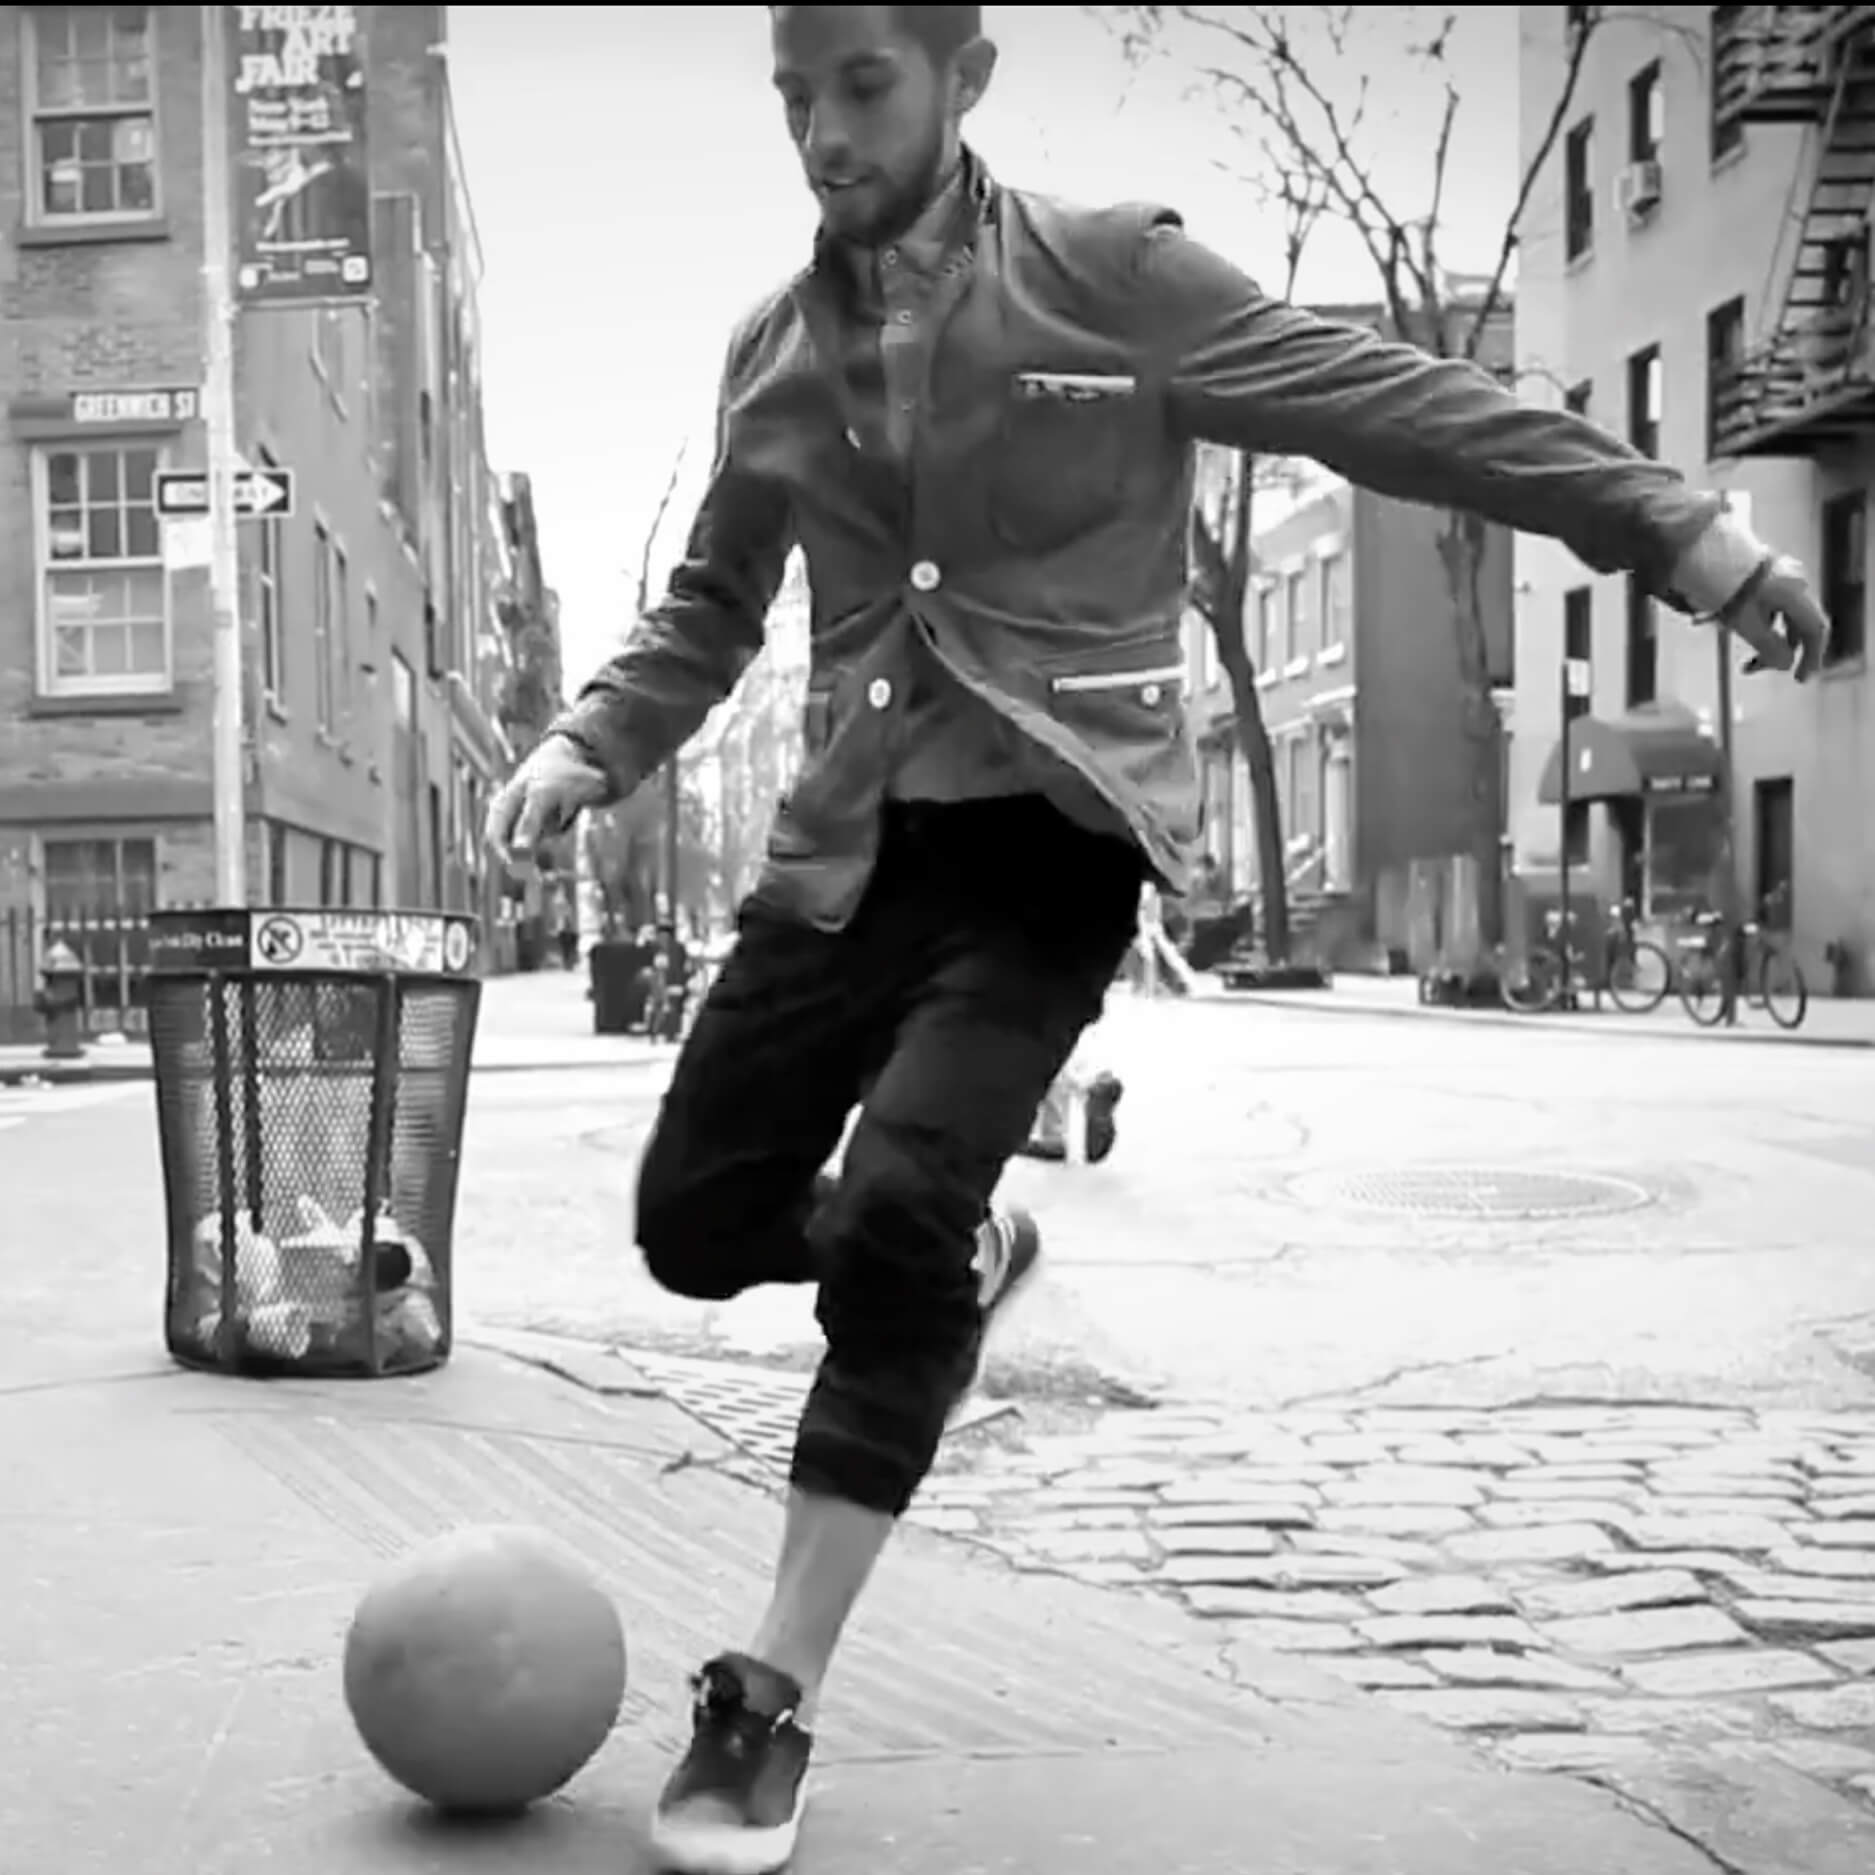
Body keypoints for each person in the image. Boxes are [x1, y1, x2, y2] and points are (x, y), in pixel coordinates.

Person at [485, 8, 1829, 1868]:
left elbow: (1396, 404)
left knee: (896, 1213)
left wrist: (1674, 528)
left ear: (965, 77)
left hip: (1050, 851)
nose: (823, 134)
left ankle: (767, 1693)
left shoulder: (1118, 281)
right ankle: (954, 1259)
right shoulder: (773, 351)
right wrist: (589, 741)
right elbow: (710, 606)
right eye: (795, 97)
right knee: (693, 1225)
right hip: (847, 856)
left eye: (862, 88)